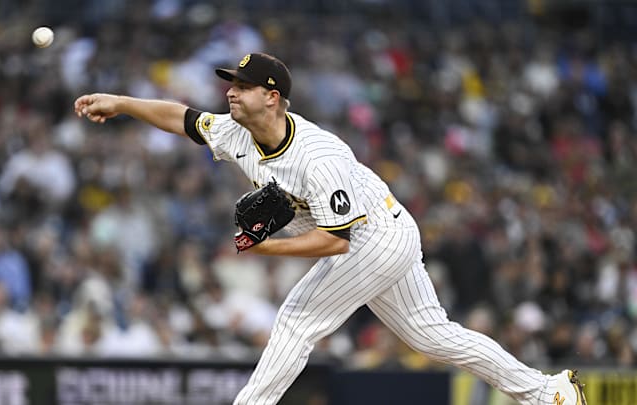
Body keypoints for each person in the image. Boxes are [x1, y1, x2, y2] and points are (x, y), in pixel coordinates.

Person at [74, 52, 587, 405]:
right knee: (435, 337)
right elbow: (181, 118)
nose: (231, 91)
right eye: (231, 82)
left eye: (244, 85)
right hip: (385, 226)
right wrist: (120, 103)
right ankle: (548, 392)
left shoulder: (317, 157)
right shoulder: (235, 130)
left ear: (272, 97)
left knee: (297, 319)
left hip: (372, 237)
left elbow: (336, 241)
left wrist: (269, 249)